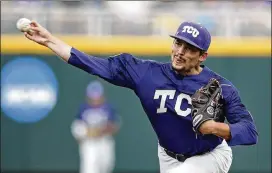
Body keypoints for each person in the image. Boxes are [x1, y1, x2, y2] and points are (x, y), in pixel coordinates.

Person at [24, 20, 258, 173]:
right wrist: (49, 41)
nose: (179, 52)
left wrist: (215, 128)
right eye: (178, 43)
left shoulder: (220, 87)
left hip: (210, 156)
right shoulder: (146, 73)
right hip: (167, 156)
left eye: (189, 48)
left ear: (203, 56)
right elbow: (94, 65)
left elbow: (249, 131)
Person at [71, 80, 120, 173]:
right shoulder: (83, 108)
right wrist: (86, 132)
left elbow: (115, 125)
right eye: (93, 96)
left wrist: (102, 130)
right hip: (89, 143)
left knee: (106, 167)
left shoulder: (109, 107)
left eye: (97, 95)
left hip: (104, 142)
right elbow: (76, 127)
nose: (95, 99)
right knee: (89, 168)